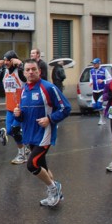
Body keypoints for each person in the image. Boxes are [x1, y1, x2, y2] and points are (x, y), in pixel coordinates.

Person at [13, 59, 71, 207]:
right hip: (30, 134)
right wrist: (17, 114)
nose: (31, 72)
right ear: (24, 72)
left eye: (33, 69)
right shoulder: (24, 89)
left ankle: (53, 189)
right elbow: (23, 114)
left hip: (44, 133)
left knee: (32, 165)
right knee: (42, 166)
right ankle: (55, 190)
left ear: (40, 71)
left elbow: (66, 108)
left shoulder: (48, 88)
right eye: (28, 70)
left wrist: (50, 119)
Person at [0, 50, 29, 164]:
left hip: (20, 108)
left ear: (13, 60)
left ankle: (22, 154)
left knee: (15, 130)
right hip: (9, 108)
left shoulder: (20, 71)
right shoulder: (4, 71)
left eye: (8, 60)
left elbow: (27, 77)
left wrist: (20, 64)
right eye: (4, 60)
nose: (6, 62)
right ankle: (25, 146)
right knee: (9, 131)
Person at [90, 58, 111, 125]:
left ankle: (104, 116)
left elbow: (110, 79)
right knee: (94, 106)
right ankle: (102, 117)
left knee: (99, 105)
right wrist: (91, 82)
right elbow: (90, 78)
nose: (94, 65)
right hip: (95, 91)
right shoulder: (92, 71)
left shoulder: (104, 70)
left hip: (102, 90)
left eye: (95, 63)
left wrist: (103, 81)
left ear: (99, 63)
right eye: (93, 63)